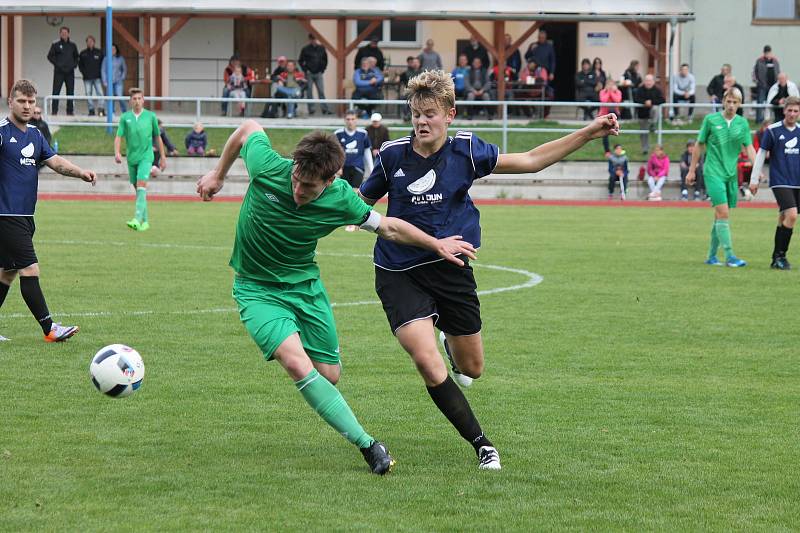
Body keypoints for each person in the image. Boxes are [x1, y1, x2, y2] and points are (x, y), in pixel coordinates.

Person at [358, 69, 619, 470]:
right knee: (427, 362)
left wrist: (588, 132)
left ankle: (449, 338)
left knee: (472, 368)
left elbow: (531, 161)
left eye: (430, 113)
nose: (422, 122)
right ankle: (483, 445)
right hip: (398, 271)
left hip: (452, 270)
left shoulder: (466, 151)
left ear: (450, 114)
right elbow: (360, 201)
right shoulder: (392, 155)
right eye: (415, 114)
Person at [195, 121, 478, 475]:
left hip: (305, 288)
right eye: (296, 179)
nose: (298, 189)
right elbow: (249, 128)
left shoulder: (341, 198)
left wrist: (436, 244)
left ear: (330, 181)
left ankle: (338, 404)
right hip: (256, 290)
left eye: (308, 186)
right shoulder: (267, 165)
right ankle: (369, 445)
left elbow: (388, 226)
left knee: (328, 374)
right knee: (297, 363)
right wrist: (218, 174)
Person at [0, 79, 96, 343]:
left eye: (32, 101)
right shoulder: (1, 132)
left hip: (24, 216)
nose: (28, 106)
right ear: (11, 102)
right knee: (30, 269)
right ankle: (49, 328)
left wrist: (81, 173)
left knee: (7, 271)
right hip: (6, 215)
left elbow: (55, 162)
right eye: (22, 101)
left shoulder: (35, 134)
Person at [687, 87, 755, 268]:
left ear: (740, 104)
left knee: (720, 215)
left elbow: (749, 148)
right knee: (723, 212)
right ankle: (730, 256)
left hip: (731, 174)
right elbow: (699, 145)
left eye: (735, 102)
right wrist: (692, 170)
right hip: (713, 172)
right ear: (723, 101)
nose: (731, 105)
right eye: (729, 101)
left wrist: (756, 172)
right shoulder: (711, 120)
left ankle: (711, 256)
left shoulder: (743, 123)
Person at [748, 96, 800, 270]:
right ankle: (781, 256)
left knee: (784, 217)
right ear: (784, 110)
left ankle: (775, 259)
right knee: (792, 215)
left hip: (797, 181)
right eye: (790, 110)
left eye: (796, 111)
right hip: (780, 181)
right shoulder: (772, 130)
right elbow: (761, 154)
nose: (792, 114)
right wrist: (754, 180)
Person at [114, 88, 166, 231]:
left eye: (139, 98)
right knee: (139, 191)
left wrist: (162, 156)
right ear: (131, 101)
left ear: (143, 100)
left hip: (146, 157)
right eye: (134, 99)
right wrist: (117, 152)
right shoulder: (125, 118)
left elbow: (158, 137)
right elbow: (119, 136)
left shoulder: (151, 116)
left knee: (142, 185)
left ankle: (137, 219)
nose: (137, 101)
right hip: (132, 158)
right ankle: (145, 222)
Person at [336, 109, 373, 191]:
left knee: (355, 191)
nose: (350, 122)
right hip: (344, 167)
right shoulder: (338, 134)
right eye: (348, 119)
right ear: (344, 120)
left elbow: (367, 151)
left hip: (358, 167)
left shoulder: (363, 133)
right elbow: (335, 153)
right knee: (345, 191)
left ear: (356, 120)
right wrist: (337, 167)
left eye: (353, 119)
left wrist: (371, 168)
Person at [46, 26, 79, 116]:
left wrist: (73, 66)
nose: (64, 34)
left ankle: (70, 111)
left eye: (65, 33)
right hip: (59, 72)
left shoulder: (73, 45)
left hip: (70, 72)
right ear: (60, 34)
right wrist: (58, 65)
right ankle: (54, 111)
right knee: (56, 92)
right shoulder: (55, 44)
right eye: (62, 33)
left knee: (70, 92)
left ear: (68, 34)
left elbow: (77, 57)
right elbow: (50, 56)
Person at [298, 34, 331, 115]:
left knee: (321, 91)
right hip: (309, 73)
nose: (313, 41)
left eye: (315, 39)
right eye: (312, 39)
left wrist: (322, 70)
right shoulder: (305, 49)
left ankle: (325, 109)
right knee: (309, 92)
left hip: (318, 73)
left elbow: (325, 60)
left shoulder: (321, 48)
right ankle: (311, 109)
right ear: (309, 40)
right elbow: (300, 61)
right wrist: (306, 70)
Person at [634, 74, 665, 154]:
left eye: (650, 81)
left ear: (653, 82)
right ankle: (645, 149)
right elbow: (636, 99)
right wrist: (645, 102)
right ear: (644, 81)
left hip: (652, 115)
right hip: (642, 114)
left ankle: (653, 124)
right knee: (643, 133)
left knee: (655, 108)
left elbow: (662, 100)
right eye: (647, 80)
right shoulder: (640, 90)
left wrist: (651, 102)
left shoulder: (657, 90)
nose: (648, 82)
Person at [753, 45, 780, 124]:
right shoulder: (759, 61)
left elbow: (778, 71)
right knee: (760, 103)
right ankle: (759, 120)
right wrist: (758, 82)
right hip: (762, 86)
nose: (768, 54)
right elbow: (755, 72)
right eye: (766, 52)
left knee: (773, 102)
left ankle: (774, 119)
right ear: (764, 53)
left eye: (769, 52)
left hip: (773, 86)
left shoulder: (775, 61)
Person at [78, 35, 104, 116]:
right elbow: (80, 65)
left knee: (100, 93)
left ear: (94, 42)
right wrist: (84, 73)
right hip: (87, 78)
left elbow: (103, 65)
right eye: (88, 41)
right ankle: (91, 110)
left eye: (91, 41)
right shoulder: (83, 53)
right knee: (88, 94)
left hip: (97, 78)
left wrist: (101, 75)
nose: (90, 43)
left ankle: (101, 110)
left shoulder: (99, 52)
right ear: (86, 43)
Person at [101, 44, 128, 115]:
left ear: (116, 50)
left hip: (118, 81)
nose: (112, 50)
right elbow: (103, 70)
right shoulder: (106, 59)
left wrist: (122, 77)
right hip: (109, 82)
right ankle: (112, 112)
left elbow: (124, 69)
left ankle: (124, 111)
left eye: (114, 49)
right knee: (110, 97)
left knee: (120, 96)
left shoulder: (120, 58)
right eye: (111, 49)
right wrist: (104, 81)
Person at [598, 78, 622, 155]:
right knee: (605, 133)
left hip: (615, 115)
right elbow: (603, 100)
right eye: (609, 85)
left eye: (612, 85)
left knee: (616, 131)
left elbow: (617, 100)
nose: (610, 86)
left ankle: (618, 149)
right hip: (604, 115)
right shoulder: (602, 92)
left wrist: (611, 92)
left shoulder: (618, 92)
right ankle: (607, 151)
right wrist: (608, 92)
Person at [399, 56, 422, 121]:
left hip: (420, 92)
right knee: (402, 98)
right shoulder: (406, 73)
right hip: (409, 92)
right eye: (413, 62)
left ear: (419, 63)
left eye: (416, 62)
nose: (415, 64)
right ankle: (406, 115)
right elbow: (399, 81)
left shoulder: (423, 72)